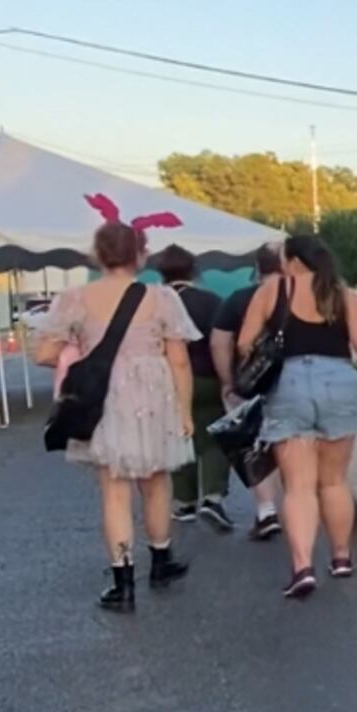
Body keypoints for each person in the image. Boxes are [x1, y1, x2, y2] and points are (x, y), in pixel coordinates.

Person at [33, 222, 199, 612]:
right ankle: (162, 561)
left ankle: (122, 581)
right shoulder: (162, 299)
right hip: (154, 395)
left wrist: (81, 349)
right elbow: (179, 360)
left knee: (114, 491)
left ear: (97, 253)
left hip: (102, 398)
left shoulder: (75, 297)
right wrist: (185, 410)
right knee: (157, 482)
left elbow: (44, 353)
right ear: (140, 253)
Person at [237, 234, 357, 599]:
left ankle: (303, 566)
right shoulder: (343, 295)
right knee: (333, 480)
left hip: (289, 383)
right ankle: (342, 557)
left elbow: (244, 343)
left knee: (299, 485)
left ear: (295, 261)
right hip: (339, 381)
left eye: (284, 258)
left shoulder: (272, 291)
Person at [210, 244, 286, 541]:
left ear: (258, 266)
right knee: (290, 442)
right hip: (292, 379)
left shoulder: (239, 298)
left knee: (252, 444)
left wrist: (228, 381)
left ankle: (266, 511)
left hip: (250, 380)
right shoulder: (299, 297)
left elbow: (219, 342)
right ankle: (296, 505)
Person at [159, 245, 233, 532]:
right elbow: (222, 341)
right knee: (213, 437)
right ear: (194, 271)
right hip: (206, 375)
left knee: (179, 437)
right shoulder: (211, 301)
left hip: (168, 381)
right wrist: (227, 378)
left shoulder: (154, 302)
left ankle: (184, 501)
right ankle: (213, 496)